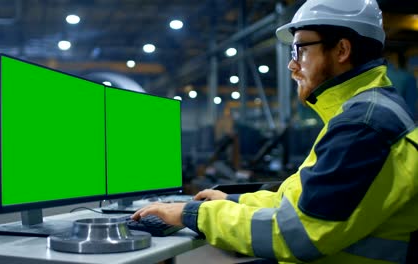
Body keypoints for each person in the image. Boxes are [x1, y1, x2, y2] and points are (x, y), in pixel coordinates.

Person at [132, 0, 418, 262]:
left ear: (342, 50)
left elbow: (297, 234)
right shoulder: (361, 114)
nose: (292, 65)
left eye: (300, 50)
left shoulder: (363, 125)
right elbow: (299, 202)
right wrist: (233, 200)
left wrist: (191, 214)